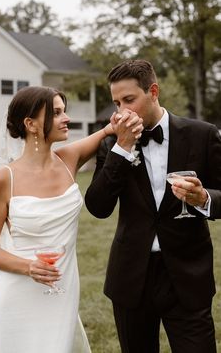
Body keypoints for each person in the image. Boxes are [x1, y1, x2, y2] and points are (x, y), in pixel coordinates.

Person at [0, 85, 143, 353]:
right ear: (30, 124)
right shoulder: (4, 178)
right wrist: (28, 267)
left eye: (64, 111)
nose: (66, 118)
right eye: (57, 112)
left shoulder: (69, 158)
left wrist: (121, 121)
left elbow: (108, 132)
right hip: (17, 297)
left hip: (62, 294)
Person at [84, 59, 221, 353]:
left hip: (188, 276)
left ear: (154, 91)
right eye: (116, 103)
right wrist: (121, 148)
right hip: (131, 278)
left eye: (129, 100)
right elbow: (98, 206)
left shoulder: (202, 134)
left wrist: (204, 198)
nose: (121, 111)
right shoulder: (112, 144)